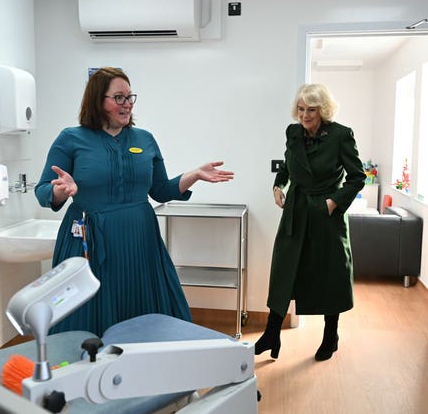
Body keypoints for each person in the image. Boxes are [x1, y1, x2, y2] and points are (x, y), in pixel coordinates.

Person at [35, 67, 233, 336]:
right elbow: (43, 190)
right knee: (87, 319)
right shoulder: (71, 139)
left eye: (130, 97)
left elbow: (161, 190)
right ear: (97, 100)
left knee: (143, 312)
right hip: (89, 241)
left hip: (139, 240)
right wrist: (61, 191)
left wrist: (193, 175)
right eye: (119, 97)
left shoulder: (145, 139)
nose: (127, 104)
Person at [254, 83, 365, 361]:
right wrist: (278, 185)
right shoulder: (293, 133)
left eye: (311, 110)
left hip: (326, 214)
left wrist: (333, 203)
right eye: (301, 109)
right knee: (283, 270)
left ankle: (331, 336)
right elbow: (289, 165)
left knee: (331, 274)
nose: (304, 115)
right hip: (296, 209)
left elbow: (357, 177)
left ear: (323, 110)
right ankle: (271, 333)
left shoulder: (341, 135)